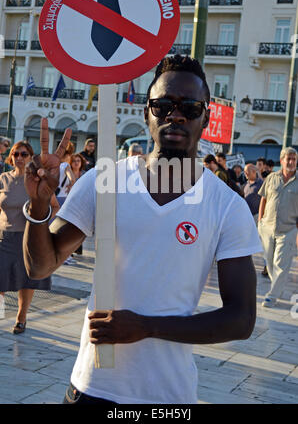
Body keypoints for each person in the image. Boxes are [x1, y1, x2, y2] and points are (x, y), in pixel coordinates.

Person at [23, 55, 261, 404]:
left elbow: (241, 320)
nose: (175, 115)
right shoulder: (106, 179)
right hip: (89, 388)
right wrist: (40, 205)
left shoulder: (226, 205)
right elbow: (40, 266)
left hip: (166, 397)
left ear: (206, 117)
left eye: (190, 107)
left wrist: (147, 327)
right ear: (146, 113)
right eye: (162, 105)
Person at [0, 141, 59, 330]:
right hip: (4, 237)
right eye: (16, 154)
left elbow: (54, 206)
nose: (19, 158)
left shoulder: (35, 180)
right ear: (11, 156)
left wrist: (41, 224)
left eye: (24, 154)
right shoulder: (2, 179)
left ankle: (21, 318)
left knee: (27, 280)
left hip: (28, 238)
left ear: (30, 157)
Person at [258, 147, 298, 308]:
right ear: (281, 160)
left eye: (293, 159)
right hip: (267, 227)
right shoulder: (271, 178)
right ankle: (278, 288)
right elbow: (264, 199)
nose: (291, 162)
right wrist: (260, 221)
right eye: (288, 159)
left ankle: (272, 296)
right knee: (269, 262)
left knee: (281, 264)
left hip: (288, 229)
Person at [69, 154, 86, 255]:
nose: (76, 163)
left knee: (79, 227)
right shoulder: (67, 173)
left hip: (80, 203)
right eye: (74, 161)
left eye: (78, 161)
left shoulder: (84, 174)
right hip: (68, 203)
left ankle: (78, 247)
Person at [56, 141, 76, 208]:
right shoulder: (65, 165)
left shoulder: (55, 165)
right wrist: (70, 185)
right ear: (68, 156)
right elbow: (72, 179)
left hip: (52, 196)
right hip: (62, 197)